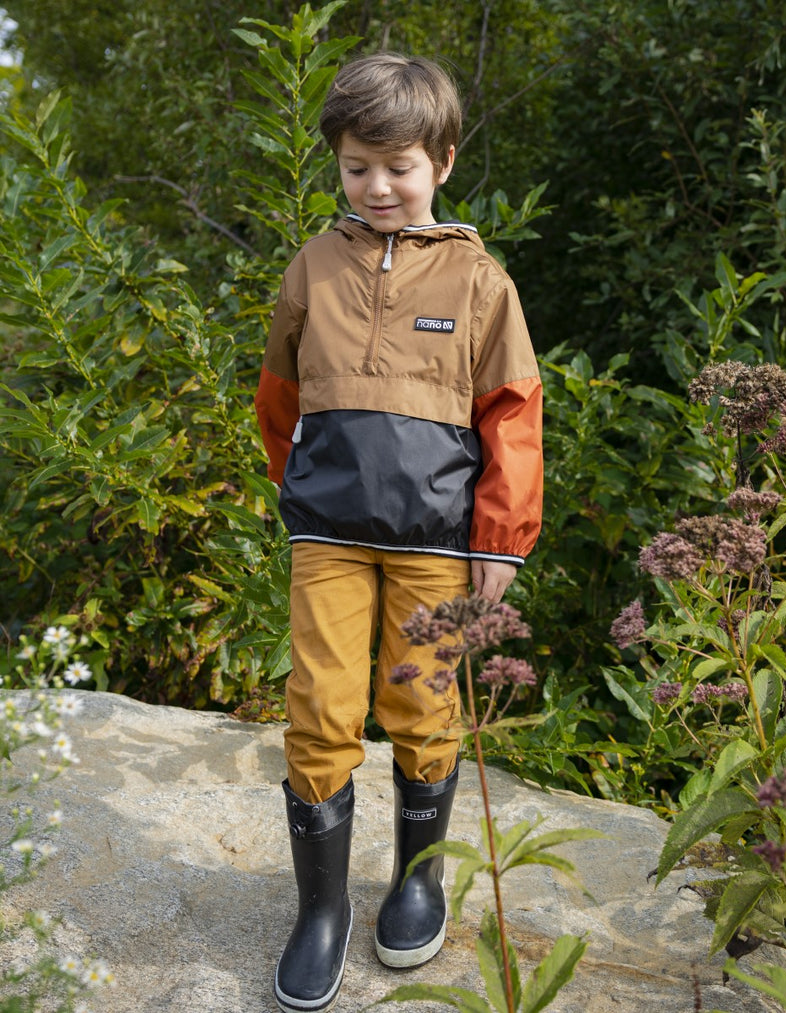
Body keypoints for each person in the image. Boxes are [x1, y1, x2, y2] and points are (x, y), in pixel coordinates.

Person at [254, 51, 543, 1013]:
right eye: (355, 167)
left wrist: (498, 540)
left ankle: (417, 880)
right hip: (329, 537)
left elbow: (513, 414)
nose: (377, 187)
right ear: (336, 165)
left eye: (399, 166)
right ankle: (322, 911)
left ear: (443, 161)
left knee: (422, 707)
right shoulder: (312, 266)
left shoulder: (478, 280)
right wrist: (299, 490)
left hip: (437, 543)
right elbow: (279, 397)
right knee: (321, 708)